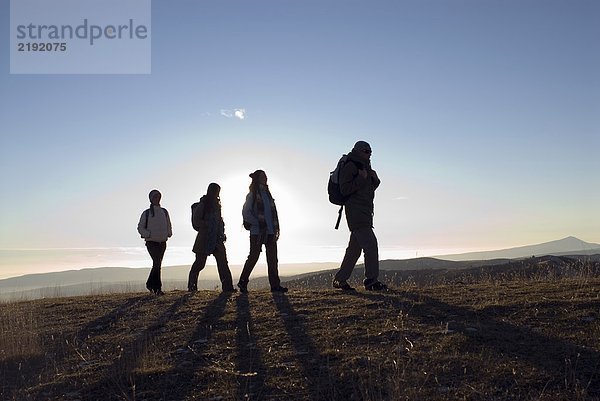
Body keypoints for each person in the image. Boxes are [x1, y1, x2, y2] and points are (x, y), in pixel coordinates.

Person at [333, 141, 388, 291]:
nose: (369, 153)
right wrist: (362, 178)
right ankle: (371, 281)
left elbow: (366, 190)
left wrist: (375, 180)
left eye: (370, 151)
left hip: (365, 213)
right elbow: (345, 189)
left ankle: (340, 280)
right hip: (356, 213)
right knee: (371, 245)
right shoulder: (352, 166)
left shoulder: (364, 166)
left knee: (354, 250)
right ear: (358, 151)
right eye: (366, 151)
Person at [237, 170, 288, 293]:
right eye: (263, 176)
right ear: (258, 179)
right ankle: (243, 282)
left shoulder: (267, 194)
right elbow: (246, 213)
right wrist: (257, 223)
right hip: (257, 232)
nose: (265, 178)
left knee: (272, 259)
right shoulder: (252, 195)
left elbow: (271, 214)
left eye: (266, 176)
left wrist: (273, 228)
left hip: (269, 231)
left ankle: (275, 285)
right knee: (253, 257)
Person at [187, 183, 236, 293]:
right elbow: (196, 220)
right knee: (200, 263)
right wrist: (208, 224)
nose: (218, 193)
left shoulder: (217, 205)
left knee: (223, 263)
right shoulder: (203, 204)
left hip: (217, 238)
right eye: (217, 190)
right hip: (205, 238)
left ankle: (228, 287)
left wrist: (221, 232)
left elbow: (219, 221)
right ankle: (192, 286)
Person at [137, 189, 172, 295]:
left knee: (157, 264)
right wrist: (148, 235)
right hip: (151, 242)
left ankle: (150, 284)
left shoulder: (164, 212)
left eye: (158, 197)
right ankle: (157, 288)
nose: (157, 199)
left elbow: (168, 224)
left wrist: (168, 233)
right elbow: (140, 227)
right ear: (151, 199)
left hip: (162, 242)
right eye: (155, 197)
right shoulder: (146, 213)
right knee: (157, 263)